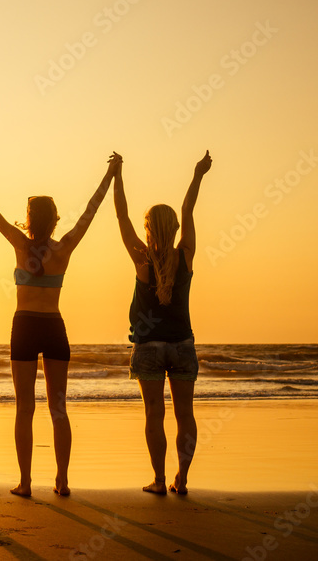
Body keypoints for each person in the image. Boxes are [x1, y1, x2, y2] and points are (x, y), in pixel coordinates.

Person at [0, 152, 121, 497]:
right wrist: (110, 173)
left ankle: (26, 482)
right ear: (56, 219)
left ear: (30, 219)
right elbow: (91, 211)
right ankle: (62, 480)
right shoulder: (64, 247)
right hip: (54, 326)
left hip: (25, 327)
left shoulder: (20, 244)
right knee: (58, 407)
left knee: (25, 408)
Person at [113, 151, 211, 495]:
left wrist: (117, 174)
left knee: (154, 412)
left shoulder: (142, 258)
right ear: (175, 229)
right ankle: (181, 479)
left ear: (148, 229)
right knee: (185, 412)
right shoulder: (185, 253)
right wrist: (198, 174)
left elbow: (122, 216)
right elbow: (188, 210)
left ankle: (157, 479)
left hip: (148, 346)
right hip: (183, 344)